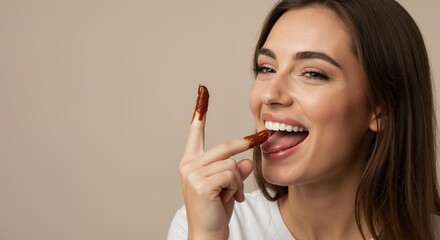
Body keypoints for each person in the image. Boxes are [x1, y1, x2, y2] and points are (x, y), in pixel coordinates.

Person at [168, 0, 440, 239]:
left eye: (312, 73)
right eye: (267, 68)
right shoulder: (209, 225)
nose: (270, 94)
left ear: (381, 109)